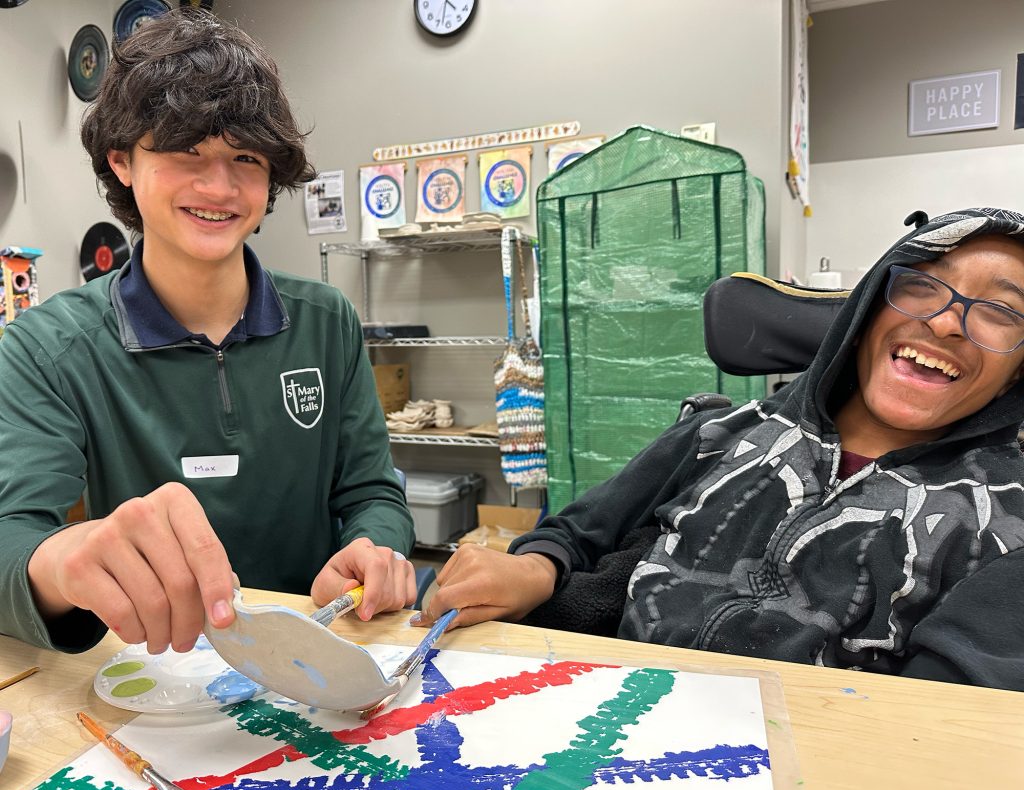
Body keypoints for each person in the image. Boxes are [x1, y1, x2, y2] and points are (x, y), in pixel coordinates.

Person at [418, 207, 1024, 691]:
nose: (945, 322)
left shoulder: (1006, 525)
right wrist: (532, 567)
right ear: (867, 309)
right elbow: (578, 533)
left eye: (1001, 311)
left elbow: (945, 720)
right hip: (592, 718)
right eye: (920, 286)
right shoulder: (719, 432)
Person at [0, 9, 416, 656]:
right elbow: (11, 539)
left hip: (312, 659)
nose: (219, 186)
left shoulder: (327, 320)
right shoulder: (47, 348)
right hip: (152, 671)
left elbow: (372, 490)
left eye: (246, 157)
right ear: (123, 161)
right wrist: (64, 559)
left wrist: (375, 545)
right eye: (185, 150)